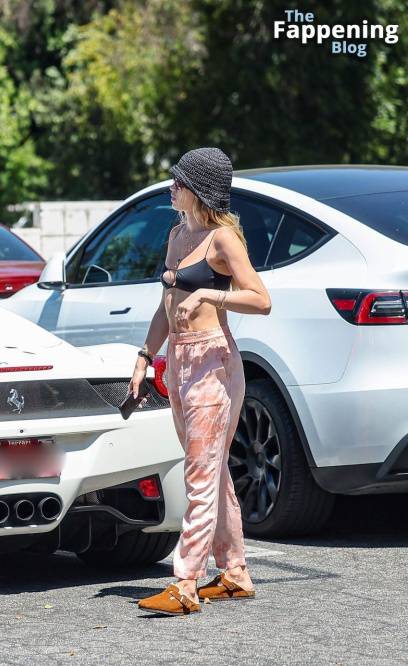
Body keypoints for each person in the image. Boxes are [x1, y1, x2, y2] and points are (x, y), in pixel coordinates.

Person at [133, 147, 272, 616]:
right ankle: (234, 574)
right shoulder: (176, 235)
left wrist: (211, 293)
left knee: (199, 474)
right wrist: (144, 356)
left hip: (214, 362)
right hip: (179, 362)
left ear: (198, 190)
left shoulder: (222, 239)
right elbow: (165, 305)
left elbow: (260, 298)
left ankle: (185, 582)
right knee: (211, 473)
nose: (171, 188)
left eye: (178, 182)